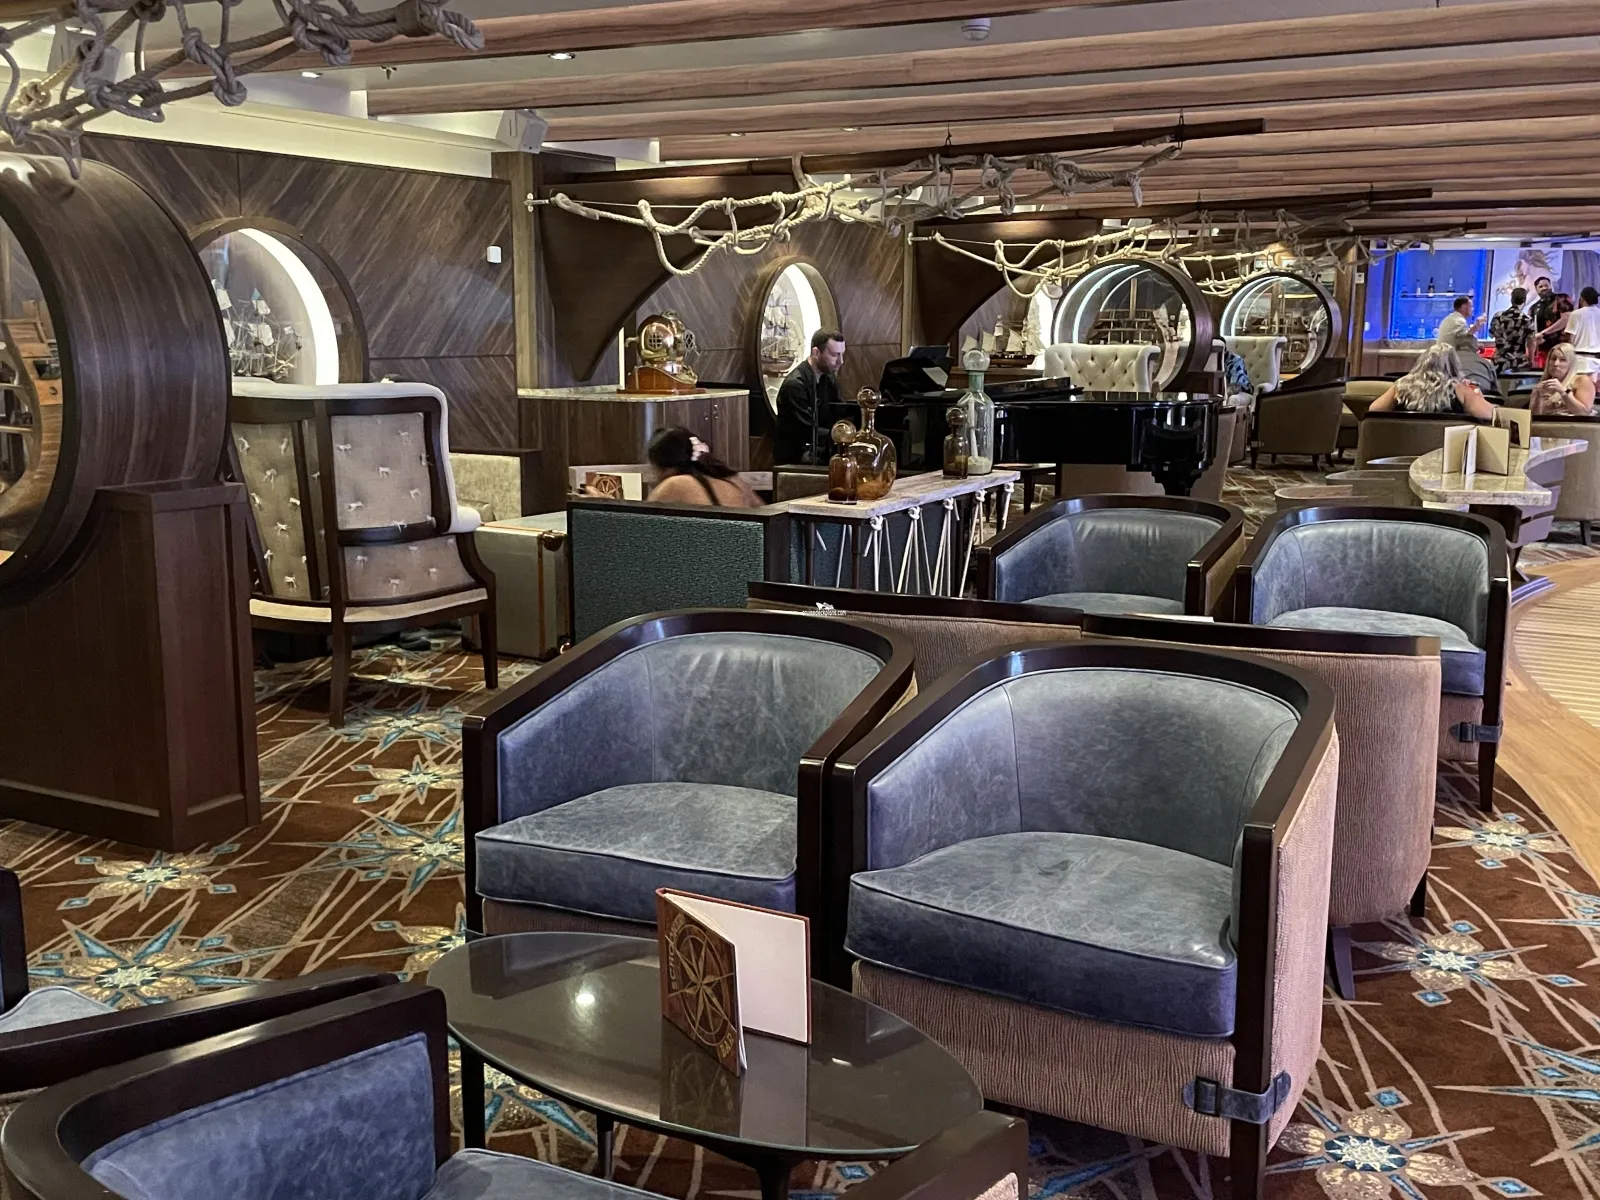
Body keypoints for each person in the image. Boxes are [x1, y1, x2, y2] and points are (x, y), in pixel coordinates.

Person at [1367, 343, 1496, 421]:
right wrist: (1477, 395)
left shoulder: (1402, 385)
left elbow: (1374, 409)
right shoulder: (1460, 389)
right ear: (1454, 366)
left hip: (1402, 448)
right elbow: (1491, 414)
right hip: (1447, 450)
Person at [774, 329, 845, 465]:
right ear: (816, 353)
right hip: (795, 460)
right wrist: (841, 435)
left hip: (821, 451)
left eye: (842, 354)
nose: (840, 361)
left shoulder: (829, 378)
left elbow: (839, 411)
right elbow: (807, 430)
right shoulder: (795, 385)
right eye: (834, 355)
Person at [645, 427, 762, 508]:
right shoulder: (733, 480)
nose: (655, 475)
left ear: (666, 467)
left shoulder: (675, 484)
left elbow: (642, 525)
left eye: (654, 468)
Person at [1527, 286, 1600, 386]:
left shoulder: (1576, 314)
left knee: (1575, 387)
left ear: (1582, 299)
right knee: (1592, 389)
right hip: (1596, 360)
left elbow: (1569, 336)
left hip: (1578, 359)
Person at [1529, 343, 1596, 417]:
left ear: (1571, 364)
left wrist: (1563, 392)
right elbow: (1532, 417)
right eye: (1553, 359)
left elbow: (1583, 413)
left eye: (1563, 360)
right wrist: (1537, 395)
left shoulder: (1582, 381)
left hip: (1572, 424)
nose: (1556, 363)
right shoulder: (1542, 385)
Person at [1490, 287, 1534, 373]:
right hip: (1518, 361)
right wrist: (1531, 359)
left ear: (1511, 300)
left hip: (1499, 361)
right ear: (1524, 301)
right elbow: (1531, 342)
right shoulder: (1527, 319)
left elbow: (1491, 334)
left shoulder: (1498, 316)